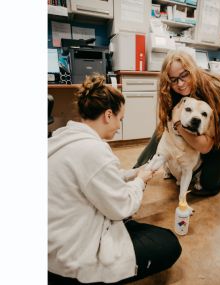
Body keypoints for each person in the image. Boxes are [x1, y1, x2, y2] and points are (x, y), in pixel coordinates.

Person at [48, 74, 182, 285]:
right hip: (69, 261)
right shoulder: (94, 151)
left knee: (129, 226)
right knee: (168, 243)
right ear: (108, 115)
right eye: (120, 119)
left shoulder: (66, 136)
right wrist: (141, 181)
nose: (119, 125)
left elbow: (99, 177)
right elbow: (123, 207)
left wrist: (135, 171)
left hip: (53, 242)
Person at [134, 50, 220, 196]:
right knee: (166, 129)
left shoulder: (215, 90)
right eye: (174, 79)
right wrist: (137, 171)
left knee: (208, 184)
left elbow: (206, 146)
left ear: (192, 69)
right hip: (201, 133)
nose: (180, 84)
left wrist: (177, 123)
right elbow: (163, 129)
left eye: (184, 75)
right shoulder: (174, 92)